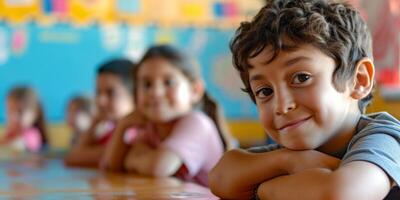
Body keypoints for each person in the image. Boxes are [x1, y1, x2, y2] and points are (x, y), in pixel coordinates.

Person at [208, 0, 400, 199]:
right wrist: (286, 160)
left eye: (301, 78)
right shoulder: (294, 150)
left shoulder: (385, 138)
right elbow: (220, 178)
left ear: (359, 80)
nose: (282, 106)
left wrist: (263, 189)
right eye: (265, 91)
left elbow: (338, 194)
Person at [101, 45, 234, 186]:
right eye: (147, 84)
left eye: (168, 82)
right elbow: (110, 167)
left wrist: (133, 159)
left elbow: (158, 167)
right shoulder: (151, 128)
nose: (155, 92)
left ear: (195, 91)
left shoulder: (197, 123)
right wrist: (123, 125)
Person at [64, 58, 135, 167]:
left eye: (110, 93)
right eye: (98, 92)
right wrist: (95, 122)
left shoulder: (133, 134)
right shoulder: (109, 131)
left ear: (135, 95)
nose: (100, 101)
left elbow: (73, 158)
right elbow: (74, 155)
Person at [0, 86, 48, 153]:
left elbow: (19, 147)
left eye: (20, 112)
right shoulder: (10, 133)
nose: (14, 117)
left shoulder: (33, 134)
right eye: (10, 111)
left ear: (35, 113)